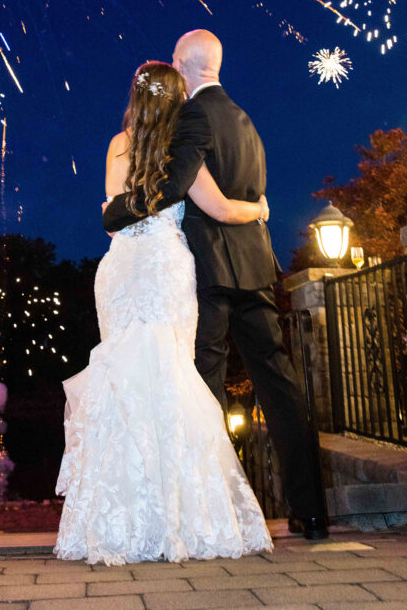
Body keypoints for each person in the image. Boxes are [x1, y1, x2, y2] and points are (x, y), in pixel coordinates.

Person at [103, 30, 328, 541]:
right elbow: (252, 192)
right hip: (255, 269)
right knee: (281, 386)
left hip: (208, 272)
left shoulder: (190, 117)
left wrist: (115, 211)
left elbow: (175, 185)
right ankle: (310, 510)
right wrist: (261, 211)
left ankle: (210, 512)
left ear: (182, 67)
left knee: (203, 388)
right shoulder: (246, 121)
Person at [55, 61, 273, 565]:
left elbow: (111, 219)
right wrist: (259, 209)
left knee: (123, 376)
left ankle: (116, 521)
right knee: (171, 375)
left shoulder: (117, 145)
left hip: (121, 269)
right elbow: (220, 210)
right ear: (178, 101)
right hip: (165, 268)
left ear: (135, 98)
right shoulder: (182, 155)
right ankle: (179, 518)